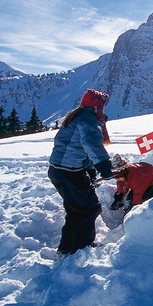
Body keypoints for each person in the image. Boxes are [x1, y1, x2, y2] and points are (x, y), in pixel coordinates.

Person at [48, 89, 114, 256]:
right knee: (89, 208)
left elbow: (78, 148)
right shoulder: (87, 119)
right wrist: (104, 166)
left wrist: (90, 170)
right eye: (101, 104)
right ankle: (80, 251)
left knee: (75, 210)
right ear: (96, 105)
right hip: (69, 173)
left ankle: (66, 248)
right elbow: (92, 146)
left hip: (59, 171)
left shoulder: (77, 116)